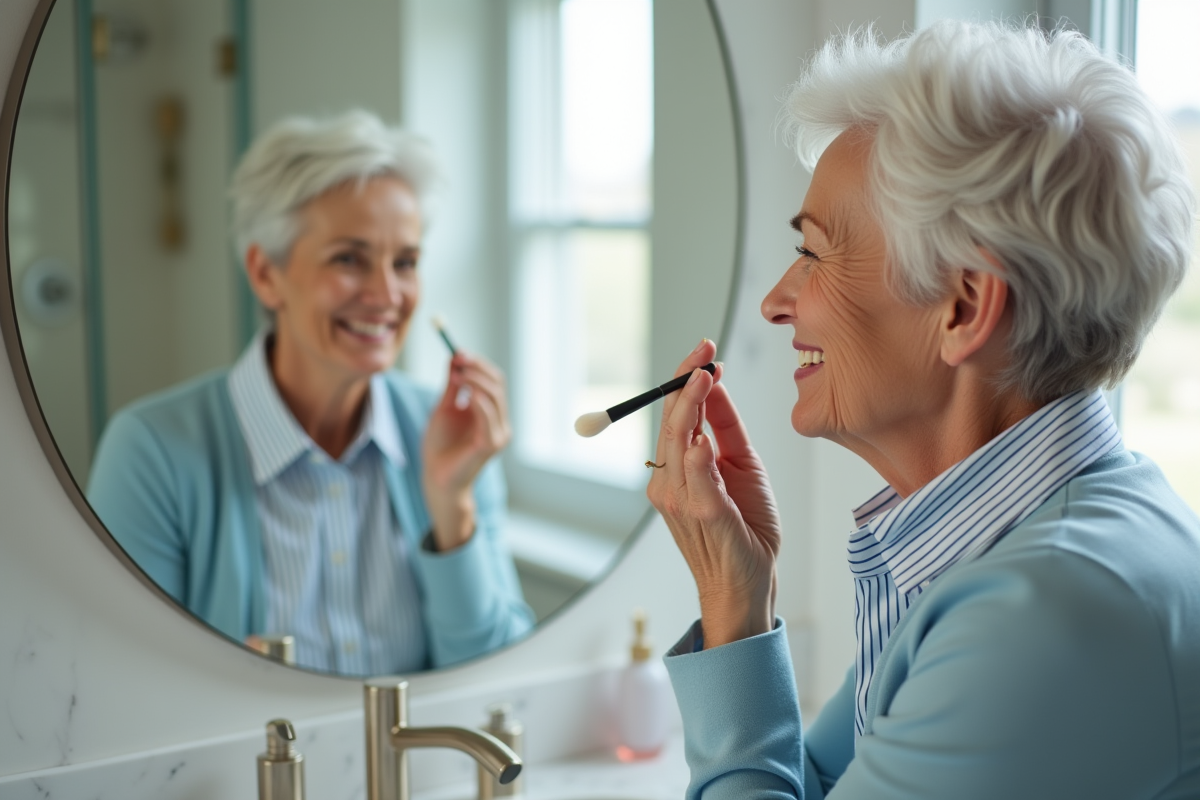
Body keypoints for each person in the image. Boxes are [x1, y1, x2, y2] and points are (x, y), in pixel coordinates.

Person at [647, 20, 1200, 799]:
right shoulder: (997, 556)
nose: (777, 300)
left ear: (964, 306)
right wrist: (742, 595)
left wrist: (732, 614)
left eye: (813, 254)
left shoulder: (1039, 619)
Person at [88, 111, 533, 675]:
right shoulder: (150, 451)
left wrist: (453, 503)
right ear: (265, 274)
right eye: (348, 259)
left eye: (405, 262)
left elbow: (497, 679)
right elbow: (122, 683)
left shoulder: (452, 433)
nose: (386, 294)